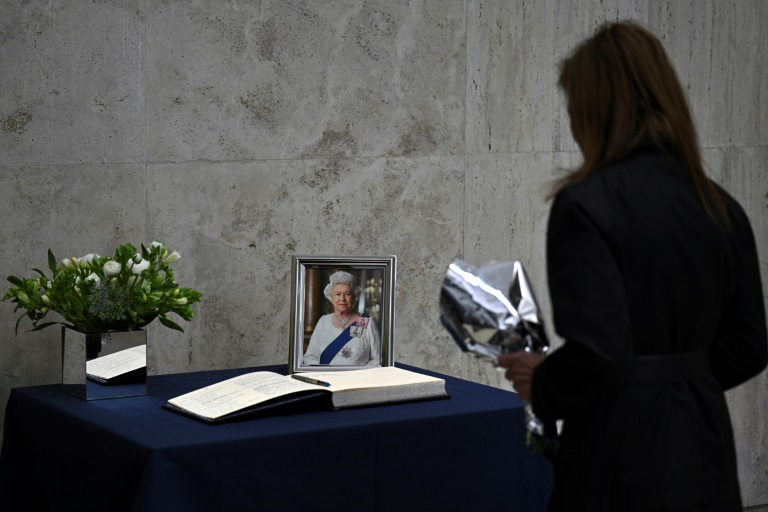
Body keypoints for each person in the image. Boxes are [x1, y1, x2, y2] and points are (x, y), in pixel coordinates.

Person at [497, 21, 768, 511]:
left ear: (592, 111)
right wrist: (680, 380)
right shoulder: (720, 205)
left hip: (617, 455)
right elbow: (749, 348)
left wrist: (544, 381)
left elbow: (600, 351)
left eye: (574, 109)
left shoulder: (585, 204)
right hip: (704, 449)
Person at [302, 271, 381, 366]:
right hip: (326, 375)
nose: (342, 299)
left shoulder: (367, 322)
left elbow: (377, 359)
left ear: (354, 296)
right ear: (331, 297)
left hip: (357, 375)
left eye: (347, 294)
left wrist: (359, 374)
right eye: (338, 294)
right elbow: (310, 356)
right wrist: (322, 373)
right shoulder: (323, 321)